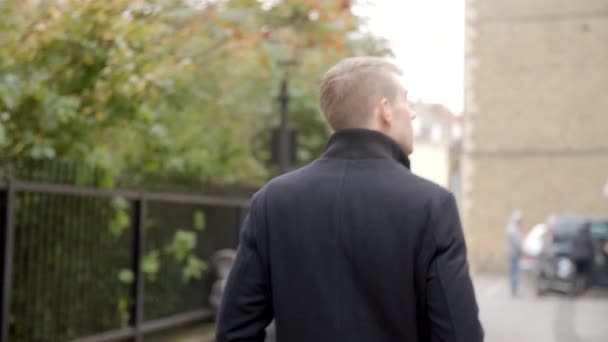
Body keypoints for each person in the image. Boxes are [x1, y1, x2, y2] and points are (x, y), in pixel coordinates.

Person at [217, 57, 483, 342]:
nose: (413, 114)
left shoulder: (272, 201)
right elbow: (459, 335)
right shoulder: (432, 205)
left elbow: (235, 330)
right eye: (405, 101)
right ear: (385, 111)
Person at [506, 210, 523, 296]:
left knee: (514, 271)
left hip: (514, 253)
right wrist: (521, 250)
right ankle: (514, 291)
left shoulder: (515, 228)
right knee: (514, 272)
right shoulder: (512, 229)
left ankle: (514, 290)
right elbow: (517, 242)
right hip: (514, 254)